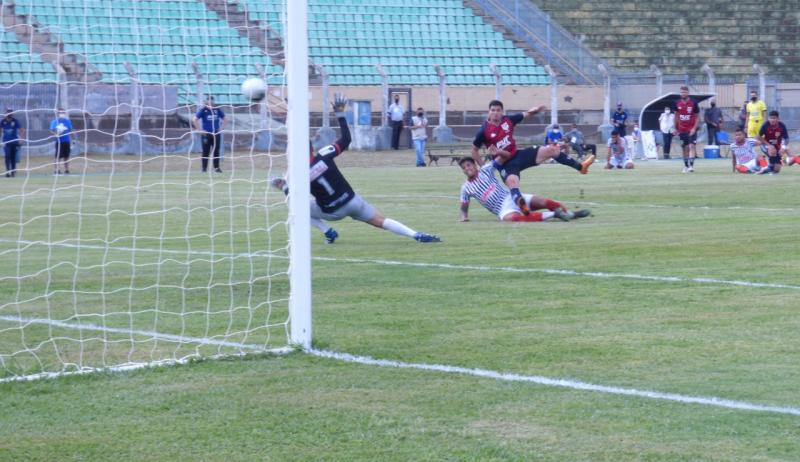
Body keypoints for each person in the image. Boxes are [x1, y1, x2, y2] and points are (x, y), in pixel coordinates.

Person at [271, 93, 440, 244]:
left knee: (296, 208)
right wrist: (340, 114)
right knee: (382, 221)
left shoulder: (298, 174)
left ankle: (328, 231)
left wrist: (284, 187)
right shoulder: (324, 154)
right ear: (310, 148)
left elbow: (293, 197)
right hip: (352, 201)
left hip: (332, 212)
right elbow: (346, 139)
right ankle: (416, 234)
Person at [470, 100, 595, 215]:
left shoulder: (508, 120)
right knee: (513, 183)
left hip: (518, 155)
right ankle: (522, 206)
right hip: (505, 164)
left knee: (552, 150)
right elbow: (474, 151)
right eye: (493, 110)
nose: (495, 113)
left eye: (498, 110)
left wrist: (537, 110)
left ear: (502, 112)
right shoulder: (484, 131)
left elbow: (526, 114)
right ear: (489, 112)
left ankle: (581, 167)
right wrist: (484, 168)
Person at [458, 157, 590, 222]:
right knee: (518, 218)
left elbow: (500, 159)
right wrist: (464, 217)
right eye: (464, 167)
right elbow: (464, 205)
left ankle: (570, 214)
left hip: (511, 197)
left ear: (474, 165)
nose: (467, 168)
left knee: (545, 202)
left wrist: (500, 150)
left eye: (469, 165)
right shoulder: (466, 188)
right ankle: (555, 214)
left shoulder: (485, 170)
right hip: (503, 210)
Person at [672, 85, 700, 173]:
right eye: (681, 92)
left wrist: (694, 128)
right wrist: (675, 128)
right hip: (682, 130)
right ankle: (686, 166)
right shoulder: (677, 103)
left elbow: (697, 117)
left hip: (691, 129)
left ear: (688, 93)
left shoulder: (694, 103)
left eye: (684, 92)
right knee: (685, 148)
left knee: (691, 146)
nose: (683, 94)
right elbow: (676, 116)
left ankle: (691, 166)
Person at [194, 95, 225, 173]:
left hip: (216, 133)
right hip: (206, 134)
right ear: (207, 101)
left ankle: (216, 168)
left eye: (212, 100)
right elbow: (194, 120)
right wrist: (200, 130)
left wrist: (221, 128)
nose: (211, 102)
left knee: (216, 151)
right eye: (209, 100)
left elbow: (225, 119)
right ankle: (204, 169)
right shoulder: (203, 110)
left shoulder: (217, 110)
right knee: (205, 151)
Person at [1, 108, 25, 177]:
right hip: (6, 142)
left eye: (10, 112)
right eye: (8, 112)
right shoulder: (3, 121)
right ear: (6, 113)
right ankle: (8, 171)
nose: (9, 114)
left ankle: (13, 171)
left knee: (13, 157)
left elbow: (22, 130)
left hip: (14, 142)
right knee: (7, 156)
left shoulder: (15, 121)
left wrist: (21, 140)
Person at [49, 109, 73, 175]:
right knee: (57, 156)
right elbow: (51, 130)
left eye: (63, 112)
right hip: (59, 141)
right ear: (58, 113)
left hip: (67, 141)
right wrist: (56, 133)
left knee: (67, 156)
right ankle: (57, 170)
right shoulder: (54, 121)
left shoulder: (67, 121)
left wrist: (73, 140)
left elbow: (71, 130)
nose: (62, 113)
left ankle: (67, 170)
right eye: (60, 112)